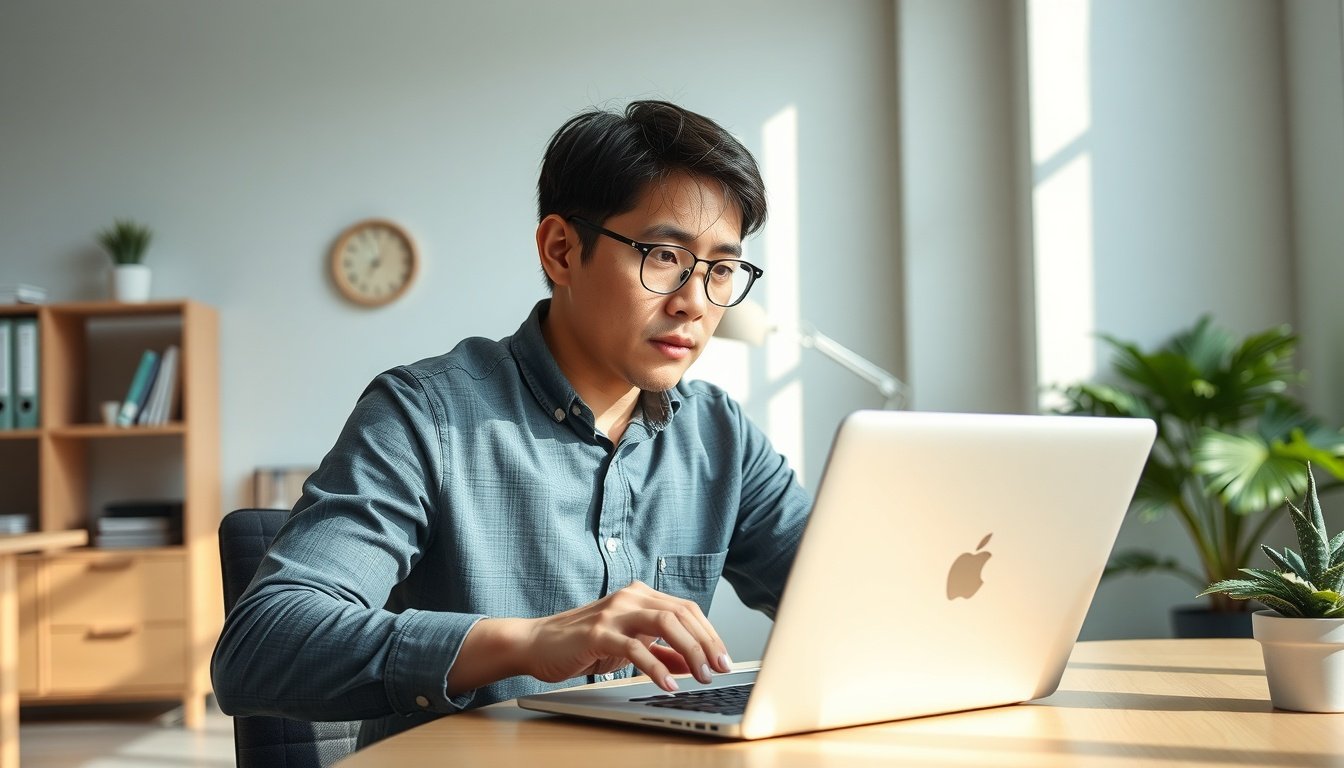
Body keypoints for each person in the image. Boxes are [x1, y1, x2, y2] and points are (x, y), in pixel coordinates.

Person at [211, 100, 812, 748]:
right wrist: (527, 643)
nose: (694, 301)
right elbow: (259, 648)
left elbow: (845, 595)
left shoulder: (720, 438)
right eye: (664, 255)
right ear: (560, 250)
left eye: (721, 269)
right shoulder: (425, 417)